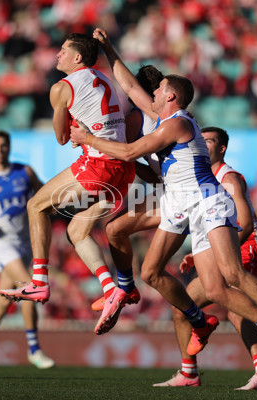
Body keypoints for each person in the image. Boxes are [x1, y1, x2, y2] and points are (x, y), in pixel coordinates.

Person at [71, 28, 257, 369]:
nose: (151, 92)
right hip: (179, 206)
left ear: (170, 96)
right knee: (157, 274)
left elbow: (129, 151)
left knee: (231, 276)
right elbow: (129, 85)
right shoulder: (160, 118)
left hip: (206, 201)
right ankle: (199, 320)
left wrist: (88, 138)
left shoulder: (177, 124)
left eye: (159, 88)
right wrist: (109, 48)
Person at [0, 33, 136, 336]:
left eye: (62, 51)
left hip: (99, 163)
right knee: (77, 231)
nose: (57, 55)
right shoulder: (103, 77)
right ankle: (111, 288)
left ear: (77, 58)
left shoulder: (61, 88)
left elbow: (62, 139)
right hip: (124, 167)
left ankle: (38, 282)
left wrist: (75, 126)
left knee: (36, 206)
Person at [154, 127, 257, 390]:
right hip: (222, 249)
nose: (204, 145)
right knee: (182, 307)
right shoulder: (200, 178)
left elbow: (244, 225)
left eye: (209, 141)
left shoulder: (228, 177)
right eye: (201, 141)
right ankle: (189, 373)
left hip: (247, 247)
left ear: (221, 149)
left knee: (236, 308)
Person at [0, 130, 54, 370]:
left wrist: (54, 209)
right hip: (2, 244)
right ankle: (34, 349)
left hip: (26, 242)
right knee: (31, 288)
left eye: (3, 145)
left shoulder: (24, 172)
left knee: (4, 301)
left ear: (9, 147)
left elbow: (44, 193)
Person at [90, 64, 165, 312]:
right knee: (151, 272)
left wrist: (88, 139)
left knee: (115, 231)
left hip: (182, 194)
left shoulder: (139, 117)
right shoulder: (175, 117)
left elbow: (124, 154)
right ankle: (126, 288)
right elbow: (149, 171)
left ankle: (125, 287)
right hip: (172, 191)